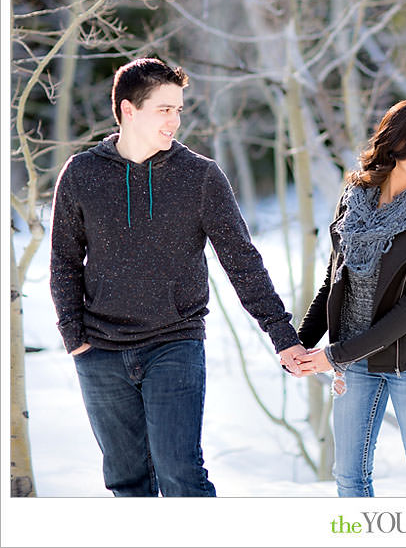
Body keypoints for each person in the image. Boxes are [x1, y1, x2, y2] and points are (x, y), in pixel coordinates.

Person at [49, 57, 305, 496]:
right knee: (127, 483)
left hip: (174, 342)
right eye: (164, 109)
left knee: (181, 474)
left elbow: (242, 261)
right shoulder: (82, 174)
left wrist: (282, 335)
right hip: (101, 353)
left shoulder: (199, 176)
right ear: (129, 110)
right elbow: (64, 262)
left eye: (179, 110)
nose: (175, 120)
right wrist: (75, 337)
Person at [294, 98, 406, 497]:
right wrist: (299, 346)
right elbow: (334, 283)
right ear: (396, 141)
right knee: (349, 479)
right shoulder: (355, 198)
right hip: (354, 362)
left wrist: (335, 355)